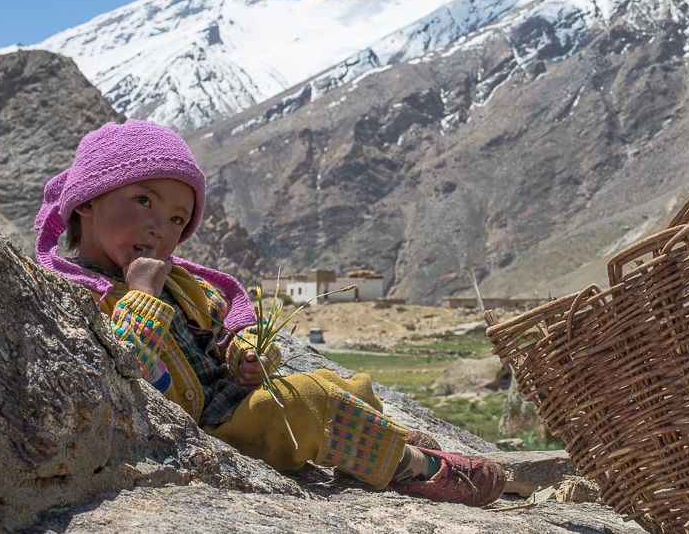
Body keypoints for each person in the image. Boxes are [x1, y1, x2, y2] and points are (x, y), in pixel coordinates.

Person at [34, 119, 507, 507]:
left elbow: (223, 332)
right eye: (143, 201)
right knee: (308, 403)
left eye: (179, 218)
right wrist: (141, 296)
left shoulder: (183, 285)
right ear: (90, 199)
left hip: (233, 405)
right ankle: (414, 467)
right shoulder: (73, 295)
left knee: (338, 385)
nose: (161, 227)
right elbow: (122, 375)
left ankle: (381, 440)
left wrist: (245, 357)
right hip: (199, 435)